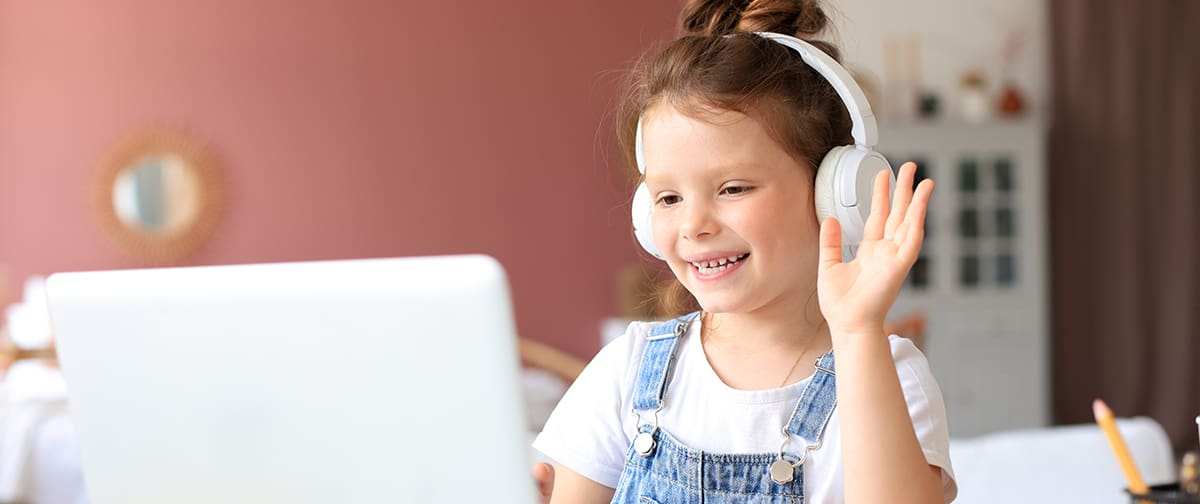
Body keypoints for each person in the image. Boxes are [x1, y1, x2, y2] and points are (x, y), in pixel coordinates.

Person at [532, 0, 957, 502]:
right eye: (668, 198)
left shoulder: (886, 374)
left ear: (834, 192)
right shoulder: (625, 372)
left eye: (733, 189)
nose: (694, 224)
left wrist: (857, 329)